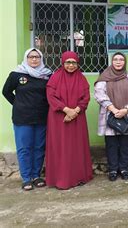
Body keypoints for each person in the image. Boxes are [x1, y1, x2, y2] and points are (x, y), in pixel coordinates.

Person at [2, 48, 52, 190]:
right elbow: (6, 92)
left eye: (37, 57)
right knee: (24, 148)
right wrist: (18, 104)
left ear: (41, 58)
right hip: (22, 118)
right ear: (26, 58)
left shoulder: (47, 75)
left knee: (39, 147)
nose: (34, 59)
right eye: (31, 57)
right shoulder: (16, 74)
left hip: (41, 117)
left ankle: (36, 175)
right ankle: (26, 178)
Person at [45, 51, 93, 189]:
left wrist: (75, 111)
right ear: (63, 63)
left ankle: (79, 176)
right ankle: (60, 178)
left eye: (74, 63)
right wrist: (66, 110)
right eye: (68, 62)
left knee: (77, 146)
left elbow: (86, 98)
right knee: (61, 147)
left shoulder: (82, 78)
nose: (71, 65)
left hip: (77, 118)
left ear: (78, 64)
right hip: (59, 118)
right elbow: (51, 96)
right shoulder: (55, 78)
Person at [94, 52, 128, 181]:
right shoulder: (104, 77)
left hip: (127, 114)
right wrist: (114, 109)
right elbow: (99, 95)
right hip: (110, 114)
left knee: (126, 144)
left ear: (125, 62)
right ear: (111, 61)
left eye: (121, 59)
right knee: (111, 144)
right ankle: (113, 169)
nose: (118, 62)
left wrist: (126, 109)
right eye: (115, 59)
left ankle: (124, 168)